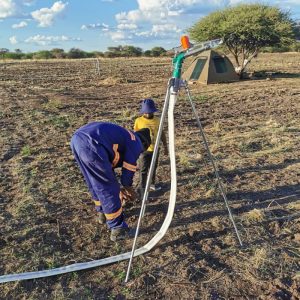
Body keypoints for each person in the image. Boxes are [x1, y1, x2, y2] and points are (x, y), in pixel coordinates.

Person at [70, 122, 151, 242]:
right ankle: (118, 229)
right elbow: (128, 169)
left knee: (94, 181)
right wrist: (128, 188)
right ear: (144, 144)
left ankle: (102, 212)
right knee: (109, 187)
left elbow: (109, 163)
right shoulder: (136, 143)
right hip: (92, 144)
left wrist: (123, 188)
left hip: (77, 139)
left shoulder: (126, 136)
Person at [134, 98, 168, 197]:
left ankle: (152, 184)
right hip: (144, 150)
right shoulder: (138, 121)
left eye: (150, 112)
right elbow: (136, 136)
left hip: (156, 148)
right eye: (146, 112)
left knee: (153, 167)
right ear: (143, 112)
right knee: (143, 169)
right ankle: (142, 187)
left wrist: (165, 147)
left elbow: (162, 133)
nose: (148, 114)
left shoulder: (158, 120)